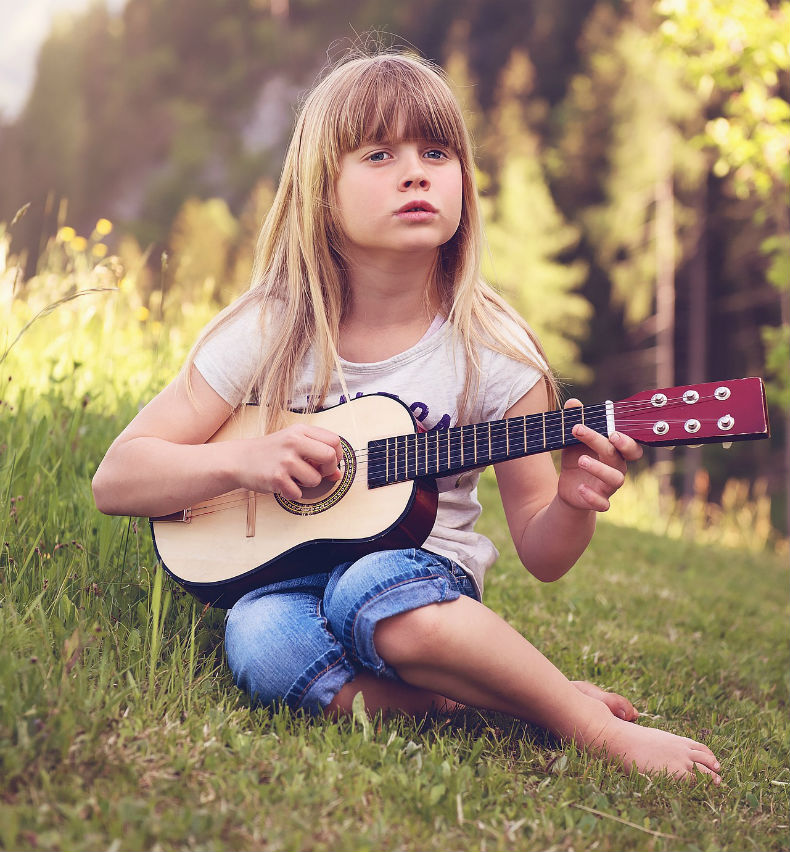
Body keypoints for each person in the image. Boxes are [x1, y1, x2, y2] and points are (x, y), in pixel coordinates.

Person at [92, 50, 721, 783]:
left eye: (437, 152)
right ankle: (476, 703)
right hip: (280, 576)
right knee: (260, 641)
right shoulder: (270, 328)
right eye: (379, 154)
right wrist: (241, 461)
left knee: (369, 590)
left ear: (463, 185)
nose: (416, 172)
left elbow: (544, 555)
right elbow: (118, 477)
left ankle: (586, 728)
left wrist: (576, 502)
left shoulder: (495, 350)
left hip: (419, 579)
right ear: (319, 193)